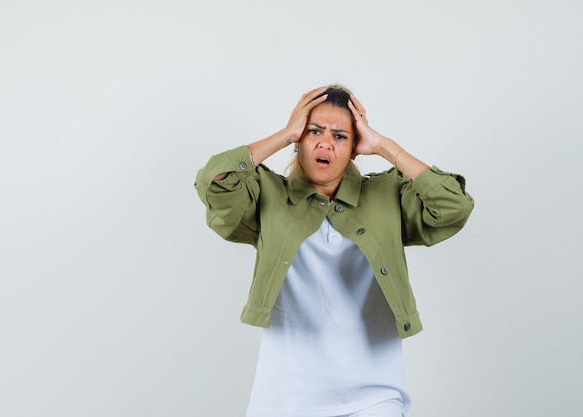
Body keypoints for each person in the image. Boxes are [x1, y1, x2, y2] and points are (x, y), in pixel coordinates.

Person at [194, 85, 474, 417]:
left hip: (374, 395)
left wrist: (385, 146)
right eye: (314, 131)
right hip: (285, 395)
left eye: (341, 136)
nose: (326, 142)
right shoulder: (267, 194)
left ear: (354, 148)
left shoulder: (388, 194)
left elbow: (453, 205)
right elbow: (215, 182)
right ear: (300, 140)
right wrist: (285, 134)